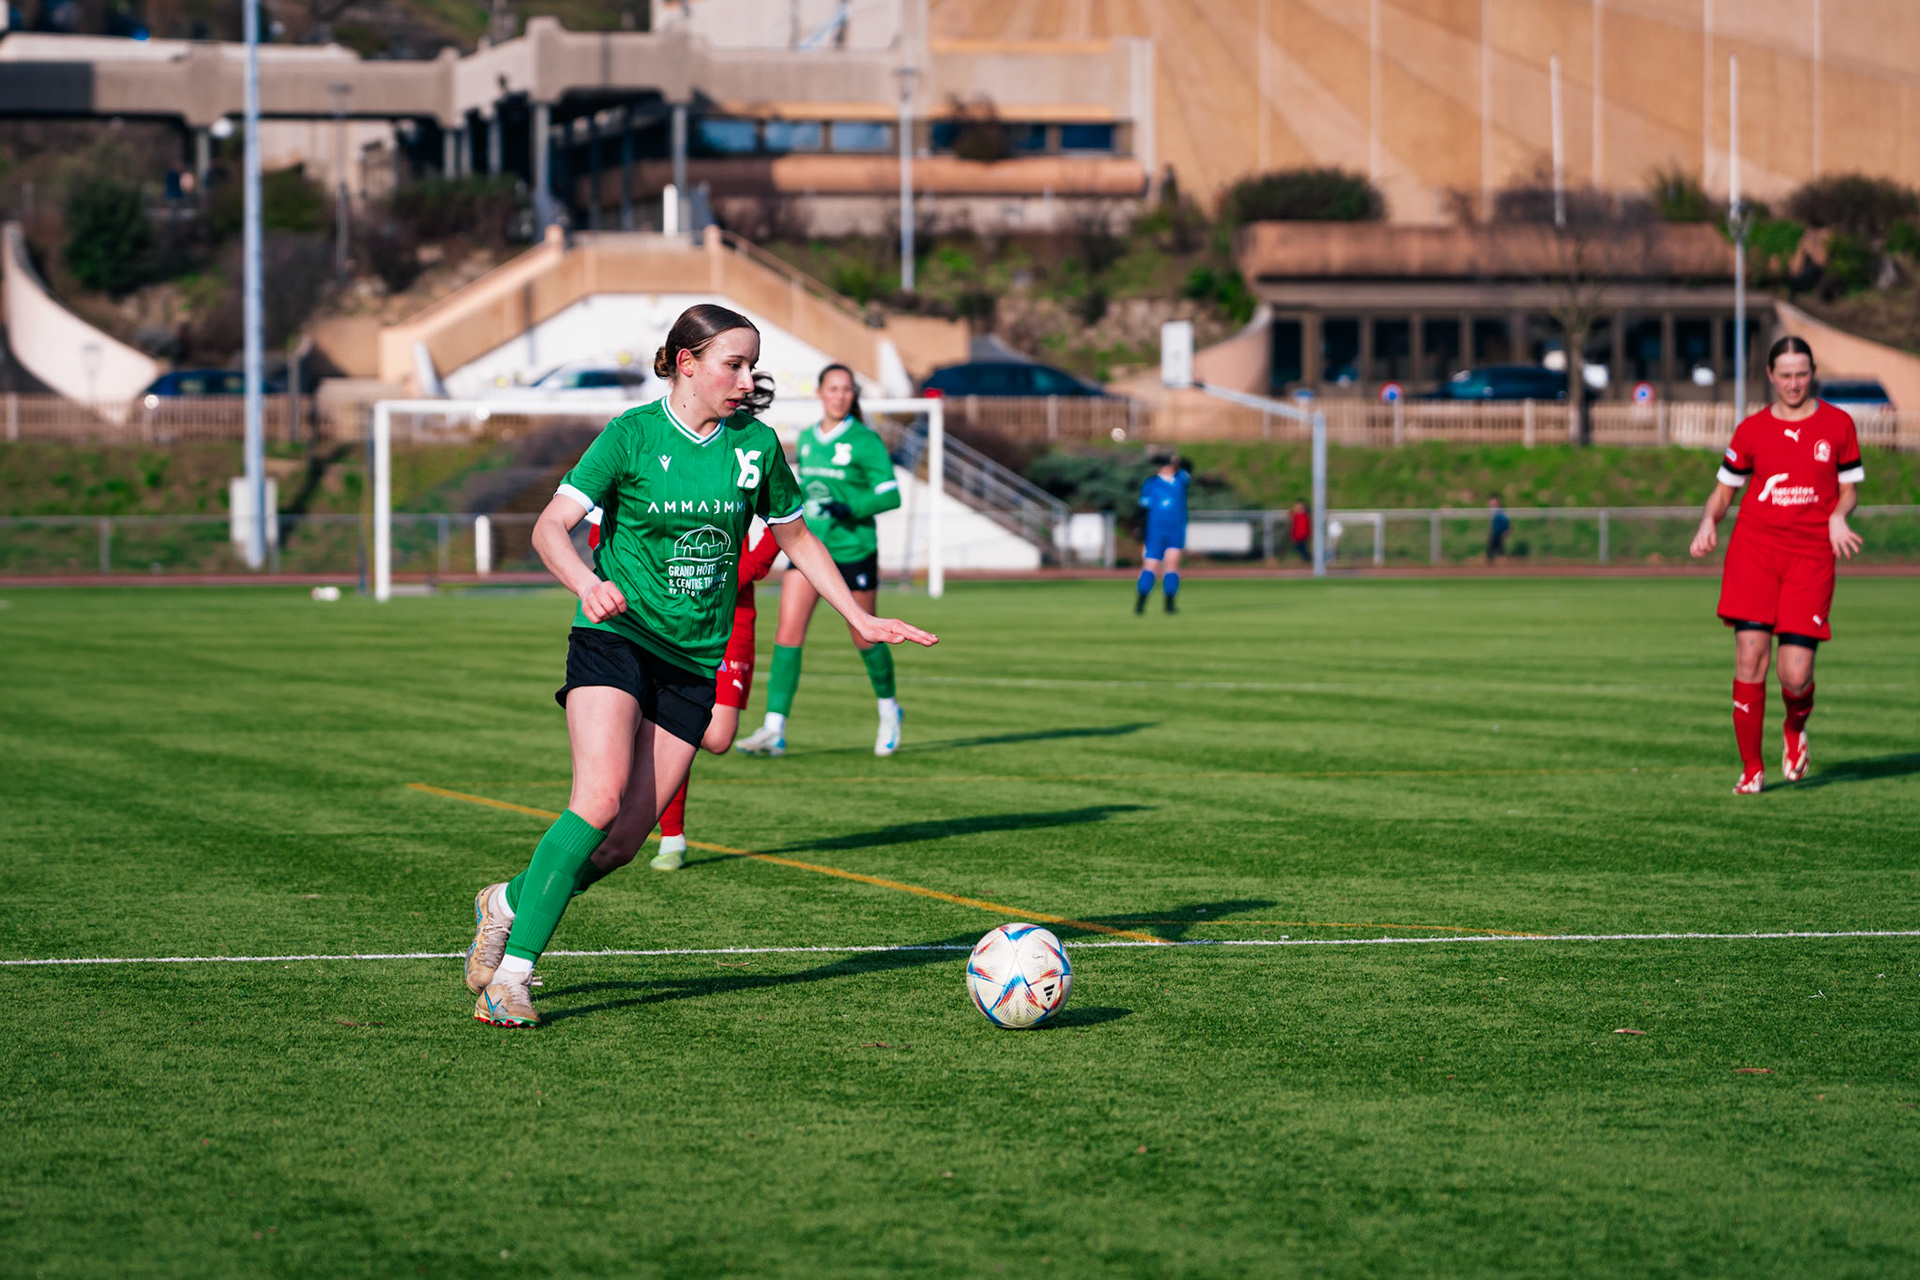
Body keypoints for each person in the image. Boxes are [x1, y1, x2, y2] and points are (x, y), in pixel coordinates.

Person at [463, 306, 936, 1028]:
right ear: (686, 363)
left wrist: (859, 616)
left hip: (694, 661)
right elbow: (548, 527)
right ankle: (514, 980)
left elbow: (798, 537)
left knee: (622, 844)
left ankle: (506, 901)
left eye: (752, 366)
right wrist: (586, 582)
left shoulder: (755, 446)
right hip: (615, 637)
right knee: (598, 800)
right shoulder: (632, 435)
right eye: (732, 365)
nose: (746, 380)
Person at [1689, 335, 1863, 795]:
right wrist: (1709, 521)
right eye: (1784, 374)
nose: (1793, 383)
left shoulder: (1838, 425)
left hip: (1810, 557)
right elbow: (1724, 490)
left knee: (1796, 674)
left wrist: (1838, 518)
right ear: (1770, 375)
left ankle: (1794, 726)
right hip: (1755, 553)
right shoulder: (1751, 430)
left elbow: (1848, 488)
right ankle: (1751, 767)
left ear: (1812, 373)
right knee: (1750, 658)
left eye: (1801, 373)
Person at [735, 363, 905, 758]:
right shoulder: (808, 438)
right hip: (810, 553)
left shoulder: (865, 441)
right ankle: (774, 728)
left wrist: (853, 506)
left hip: (853, 552)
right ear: (821, 393)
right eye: (833, 388)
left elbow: (890, 494)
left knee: (865, 635)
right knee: (788, 635)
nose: (839, 395)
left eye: (847, 389)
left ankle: (889, 709)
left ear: (853, 395)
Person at [1135, 453, 1189, 613]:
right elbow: (1142, 510)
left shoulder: (1181, 480)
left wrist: (1176, 458)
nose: (1169, 467)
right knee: (1150, 566)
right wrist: (1140, 531)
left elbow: (1189, 465)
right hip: (1155, 531)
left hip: (1176, 530)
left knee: (1172, 566)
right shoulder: (1151, 483)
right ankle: (1141, 603)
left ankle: (1169, 604)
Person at [1485, 495, 1511, 563]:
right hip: (1494, 533)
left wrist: (1506, 531)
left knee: (1499, 548)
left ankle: (1504, 561)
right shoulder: (1492, 511)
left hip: (1499, 533)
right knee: (1492, 549)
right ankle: (1491, 562)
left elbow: (1505, 522)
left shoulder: (1501, 512)